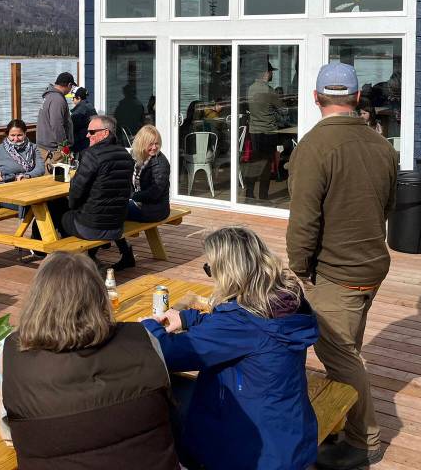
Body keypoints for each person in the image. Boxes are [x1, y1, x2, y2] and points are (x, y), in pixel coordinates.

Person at [286, 62, 396, 470]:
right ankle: (342, 418)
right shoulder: (382, 145)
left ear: (316, 98)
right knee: (349, 346)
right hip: (372, 264)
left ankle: (363, 440)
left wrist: (299, 269)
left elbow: (304, 221)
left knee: (341, 356)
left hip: (336, 272)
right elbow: (389, 207)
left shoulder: (313, 148)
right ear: (355, 98)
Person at [143, 226, 318, 470]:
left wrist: (149, 327)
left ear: (229, 273)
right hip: (287, 431)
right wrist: (188, 319)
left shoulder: (241, 321)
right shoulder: (279, 299)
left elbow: (169, 354)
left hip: (256, 451)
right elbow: (236, 331)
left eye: (210, 269)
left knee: (160, 400)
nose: (211, 275)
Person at [0, 252, 179, 470]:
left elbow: (9, 435)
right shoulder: (143, 337)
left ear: (37, 299)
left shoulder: (11, 352)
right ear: (100, 295)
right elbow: (165, 403)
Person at [54, 114, 133, 248]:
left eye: (91, 132)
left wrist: (73, 206)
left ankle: (72, 258)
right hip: (116, 226)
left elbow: (76, 190)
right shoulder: (125, 155)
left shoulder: (92, 155)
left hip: (92, 228)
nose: (87, 136)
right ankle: (114, 253)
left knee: (59, 212)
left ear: (105, 133)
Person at [112, 125, 171, 271]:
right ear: (141, 143)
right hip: (141, 204)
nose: (154, 147)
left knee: (111, 213)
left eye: (157, 143)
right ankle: (115, 250)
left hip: (153, 209)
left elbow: (155, 192)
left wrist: (131, 197)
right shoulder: (137, 157)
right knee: (110, 209)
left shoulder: (160, 163)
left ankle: (125, 254)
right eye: (150, 143)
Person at [244, 61, 282, 201]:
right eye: (271, 71)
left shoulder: (250, 88)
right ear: (266, 73)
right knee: (266, 164)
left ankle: (249, 192)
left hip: (255, 130)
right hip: (268, 131)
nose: (272, 73)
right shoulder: (269, 91)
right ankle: (263, 197)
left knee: (255, 162)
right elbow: (281, 107)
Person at [0, 119, 46, 185]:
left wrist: (27, 176)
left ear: (25, 134)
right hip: (7, 188)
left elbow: (40, 168)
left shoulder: (33, 148)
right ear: (7, 135)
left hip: (31, 185)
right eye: (12, 135)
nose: (16, 139)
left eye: (19, 135)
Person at [36, 72, 76, 165]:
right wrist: (64, 146)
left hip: (44, 147)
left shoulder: (49, 96)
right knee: (58, 177)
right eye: (71, 87)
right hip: (53, 150)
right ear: (69, 84)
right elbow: (57, 125)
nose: (71, 90)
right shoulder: (58, 99)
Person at [71, 88, 97, 154]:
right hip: (90, 142)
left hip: (82, 144)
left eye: (73, 98)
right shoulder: (90, 106)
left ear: (79, 98)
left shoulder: (79, 110)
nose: (72, 100)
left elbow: (72, 128)